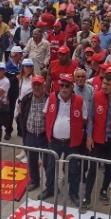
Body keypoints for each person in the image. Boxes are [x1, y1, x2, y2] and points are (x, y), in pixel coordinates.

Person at [39, 74, 86, 205]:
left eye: (67, 86)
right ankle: (50, 189)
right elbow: (45, 114)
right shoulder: (52, 97)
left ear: (72, 87)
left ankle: (73, 193)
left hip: (72, 142)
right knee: (50, 167)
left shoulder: (80, 101)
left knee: (74, 169)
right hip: (54, 141)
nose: (64, 88)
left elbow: (85, 119)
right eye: (62, 85)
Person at [83, 71, 111, 211]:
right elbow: (90, 118)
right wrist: (89, 137)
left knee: (109, 168)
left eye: (108, 84)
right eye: (103, 83)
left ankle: (103, 191)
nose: (104, 86)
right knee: (92, 169)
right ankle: (87, 196)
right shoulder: (96, 96)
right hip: (97, 139)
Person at [18, 75, 49, 193]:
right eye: (34, 84)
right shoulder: (26, 98)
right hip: (30, 134)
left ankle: (50, 184)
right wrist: (24, 134)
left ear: (43, 86)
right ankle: (35, 180)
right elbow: (21, 115)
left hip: (44, 136)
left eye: (39, 85)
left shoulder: (49, 98)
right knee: (32, 161)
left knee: (47, 162)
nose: (36, 87)